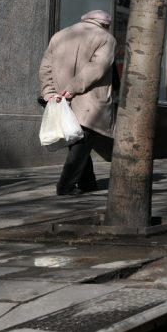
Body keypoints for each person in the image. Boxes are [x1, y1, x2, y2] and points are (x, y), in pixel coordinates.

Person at [39, 10, 116, 196]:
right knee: (82, 141)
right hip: (88, 100)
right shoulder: (106, 38)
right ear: (105, 24)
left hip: (60, 99)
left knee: (78, 142)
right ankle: (65, 186)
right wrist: (71, 88)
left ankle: (88, 183)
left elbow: (45, 68)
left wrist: (50, 92)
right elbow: (96, 69)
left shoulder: (60, 36)